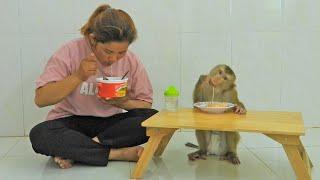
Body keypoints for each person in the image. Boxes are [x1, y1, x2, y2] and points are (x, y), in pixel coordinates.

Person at [29, 4, 158, 169]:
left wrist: (123, 103)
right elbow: (41, 99)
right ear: (92, 39)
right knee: (39, 135)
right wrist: (78, 76)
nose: (114, 59)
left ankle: (80, 150)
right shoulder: (69, 51)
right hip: (70, 123)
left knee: (152, 119)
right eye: (108, 51)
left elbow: (145, 104)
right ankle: (116, 153)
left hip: (109, 128)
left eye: (121, 53)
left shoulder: (131, 60)